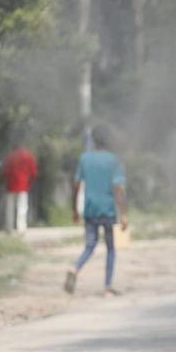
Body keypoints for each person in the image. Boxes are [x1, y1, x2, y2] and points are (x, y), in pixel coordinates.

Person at [64, 124, 128, 296]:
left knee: (90, 246)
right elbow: (117, 188)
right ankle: (107, 286)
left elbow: (76, 185)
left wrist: (74, 210)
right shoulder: (113, 160)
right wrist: (123, 214)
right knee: (111, 248)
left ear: (93, 140)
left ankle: (75, 267)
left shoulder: (85, 159)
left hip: (90, 209)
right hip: (107, 210)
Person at [2, 138, 38, 234]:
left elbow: (5, 172)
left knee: (10, 208)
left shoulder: (10, 156)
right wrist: (29, 183)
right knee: (22, 208)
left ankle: (9, 228)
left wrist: (6, 182)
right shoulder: (27, 156)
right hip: (23, 185)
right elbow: (33, 173)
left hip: (11, 186)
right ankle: (21, 228)